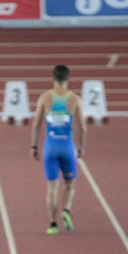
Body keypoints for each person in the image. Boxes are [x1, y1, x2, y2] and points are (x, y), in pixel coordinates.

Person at [30, 64, 86, 235]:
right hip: (67, 147)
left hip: (50, 147)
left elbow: (36, 125)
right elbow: (83, 127)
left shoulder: (45, 98)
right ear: (68, 79)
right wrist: (81, 147)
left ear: (53, 79)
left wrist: (34, 146)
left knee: (52, 188)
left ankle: (52, 224)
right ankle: (66, 211)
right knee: (70, 184)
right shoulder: (74, 99)